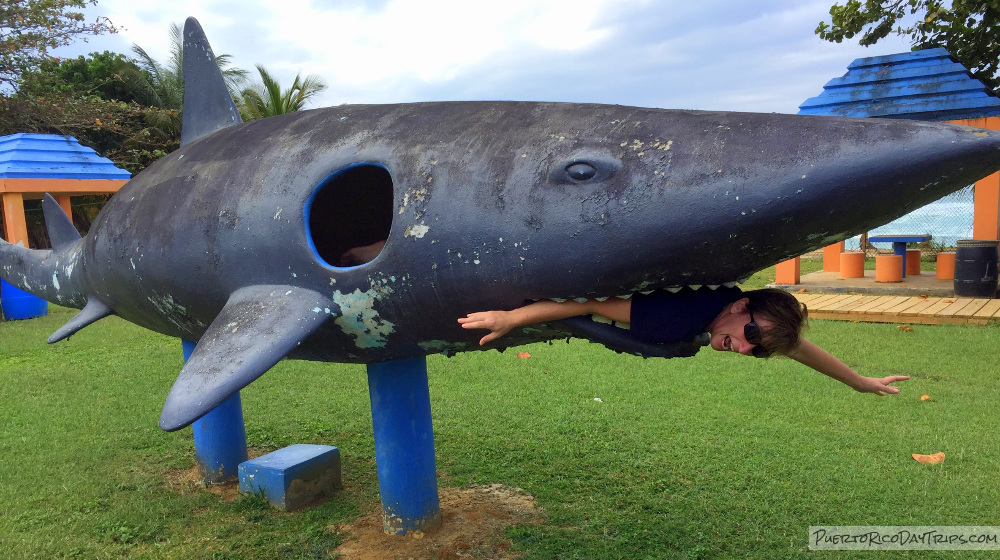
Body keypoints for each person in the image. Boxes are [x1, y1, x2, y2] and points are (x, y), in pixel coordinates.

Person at [458, 286, 909, 396]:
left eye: (758, 350)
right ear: (740, 306)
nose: (747, 348)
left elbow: (796, 347)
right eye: (752, 335)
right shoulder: (675, 317)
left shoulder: (732, 310)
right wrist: (511, 316)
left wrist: (858, 382)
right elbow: (587, 302)